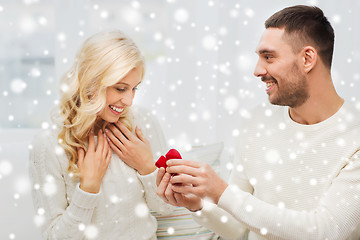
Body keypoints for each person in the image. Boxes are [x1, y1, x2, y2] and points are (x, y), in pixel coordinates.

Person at [156, 5, 360, 240]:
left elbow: (325, 231)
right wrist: (198, 206)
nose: (257, 70)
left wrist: (221, 191)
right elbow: (236, 228)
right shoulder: (257, 122)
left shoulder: (354, 138)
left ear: (307, 59)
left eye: (268, 57)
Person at [29, 30, 174, 239]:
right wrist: (89, 188)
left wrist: (147, 167)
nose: (129, 101)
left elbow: (167, 208)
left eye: (134, 89)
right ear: (91, 83)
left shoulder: (143, 123)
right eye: (120, 88)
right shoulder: (48, 146)